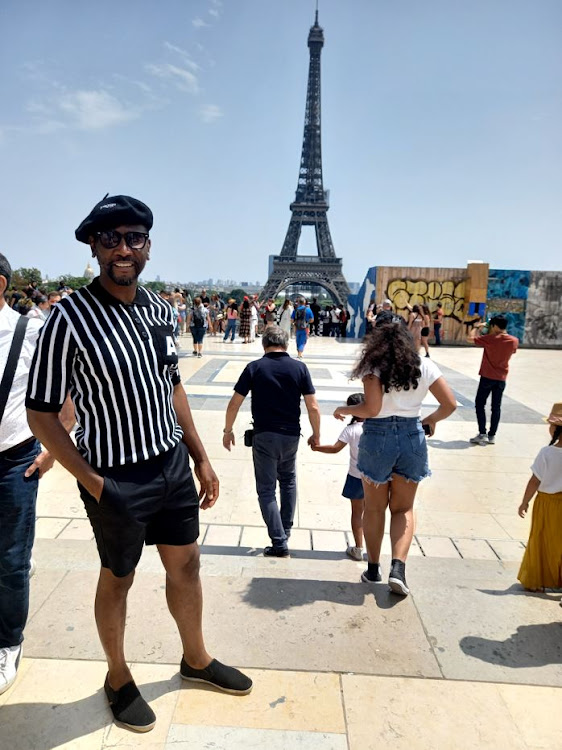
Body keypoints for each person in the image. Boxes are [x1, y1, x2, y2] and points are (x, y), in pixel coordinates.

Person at [26, 195, 251, 732]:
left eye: (134, 239)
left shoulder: (159, 311)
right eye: (111, 239)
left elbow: (170, 386)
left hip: (170, 464)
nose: (123, 249)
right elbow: (41, 415)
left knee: (187, 566)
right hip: (115, 477)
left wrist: (200, 457)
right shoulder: (68, 320)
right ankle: (118, 676)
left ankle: (195, 659)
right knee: (119, 577)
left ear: (148, 247)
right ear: (93, 247)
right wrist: (94, 483)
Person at [333, 320, 456, 595]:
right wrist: (429, 420)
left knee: (374, 508)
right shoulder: (424, 366)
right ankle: (398, 568)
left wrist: (344, 407)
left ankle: (374, 568)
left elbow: (372, 408)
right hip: (412, 436)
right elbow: (450, 404)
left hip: (377, 437)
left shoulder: (373, 368)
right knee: (403, 509)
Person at [0, 253, 73, 696]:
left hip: (13, 460)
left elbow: (67, 392)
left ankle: (8, 641)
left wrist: (52, 450)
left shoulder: (31, 331)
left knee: (9, 561)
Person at [222, 326, 321, 556]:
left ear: (263, 343)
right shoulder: (299, 367)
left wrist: (228, 430)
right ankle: (285, 530)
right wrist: (316, 434)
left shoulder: (254, 368)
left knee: (266, 489)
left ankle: (278, 542)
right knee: (288, 481)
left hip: (264, 435)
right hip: (291, 435)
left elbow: (234, 403)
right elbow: (313, 406)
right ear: (286, 343)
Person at [311, 393, 365, 561]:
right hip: (377, 477)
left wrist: (317, 448)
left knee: (357, 513)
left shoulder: (351, 430)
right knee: (374, 513)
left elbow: (335, 449)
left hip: (356, 476)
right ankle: (374, 547)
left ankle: (358, 548)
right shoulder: (376, 428)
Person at [517, 403, 562, 592]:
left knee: (540, 538)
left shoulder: (547, 453)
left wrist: (524, 501)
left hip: (546, 503)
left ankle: (537, 578)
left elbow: (534, 481)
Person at [468, 314, 518, 445]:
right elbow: (512, 351)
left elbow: (470, 339)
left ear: (495, 326)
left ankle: (482, 433)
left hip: (487, 377)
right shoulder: (514, 341)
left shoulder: (490, 339)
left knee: (480, 404)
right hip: (501, 378)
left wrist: (477, 327)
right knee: (496, 407)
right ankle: (492, 435)